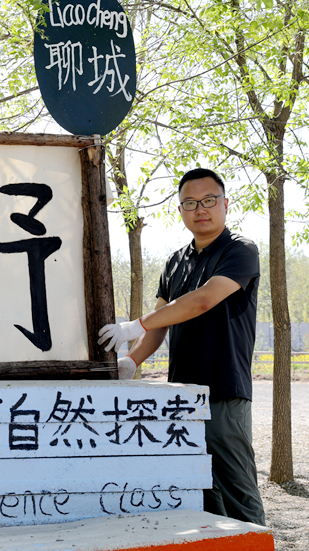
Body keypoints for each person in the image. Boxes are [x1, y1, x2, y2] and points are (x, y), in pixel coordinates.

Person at [97, 168, 266, 526]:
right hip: (182, 396)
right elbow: (162, 321)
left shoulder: (240, 250)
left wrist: (134, 325)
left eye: (209, 200)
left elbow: (202, 300)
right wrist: (132, 360)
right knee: (200, 490)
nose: (200, 209)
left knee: (236, 489)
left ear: (225, 204)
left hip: (223, 391)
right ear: (180, 210)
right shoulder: (175, 261)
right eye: (190, 203)